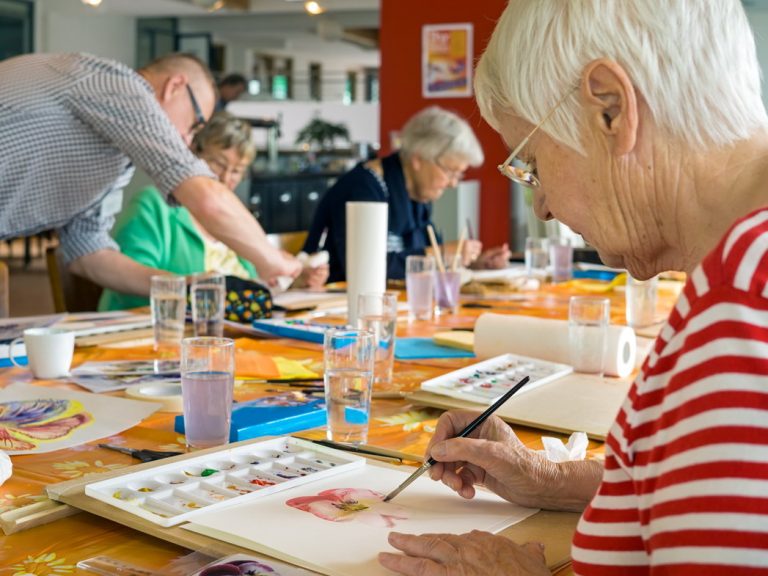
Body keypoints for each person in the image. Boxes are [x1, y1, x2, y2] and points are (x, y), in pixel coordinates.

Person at [378, 1, 768, 574]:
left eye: (532, 163)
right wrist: (552, 479)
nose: (541, 204)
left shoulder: (739, 318)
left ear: (610, 108)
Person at [0, 52, 300, 298]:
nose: (186, 140)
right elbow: (207, 198)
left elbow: (89, 254)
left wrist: (186, 287)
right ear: (174, 87)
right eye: (195, 125)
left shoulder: (114, 157)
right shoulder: (120, 84)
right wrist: (271, 260)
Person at [98, 112, 328, 311]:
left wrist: (295, 284)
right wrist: (192, 284)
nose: (226, 178)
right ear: (192, 153)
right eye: (217, 163)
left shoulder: (233, 219)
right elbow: (125, 287)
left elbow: (252, 284)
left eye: (237, 171)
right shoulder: (154, 205)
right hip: (152, 336)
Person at [303, 106, 512, 282]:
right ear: (418, 159)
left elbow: (417, 255)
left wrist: (471, 261)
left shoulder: (417, 193)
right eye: (450, 172)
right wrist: (440, 255)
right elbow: (364, 269)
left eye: (459, 175)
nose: (453, 183)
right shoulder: (363, 188)